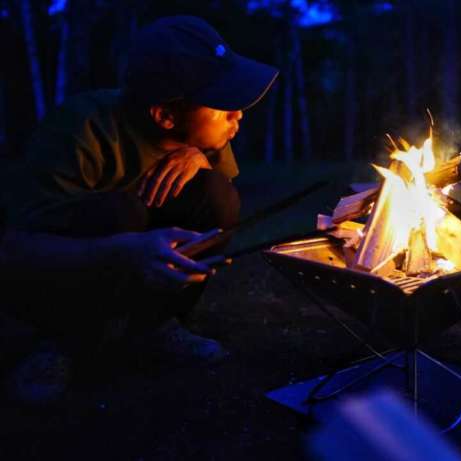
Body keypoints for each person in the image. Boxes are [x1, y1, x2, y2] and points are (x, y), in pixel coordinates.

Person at [0, 15, 278, 403]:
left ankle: (155, 325)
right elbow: (16, 251)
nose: (238, 114)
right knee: (119, 213)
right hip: (61, 269)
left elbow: (220, 191)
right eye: (221, 104)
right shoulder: (79, 132)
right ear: (165, 115)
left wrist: (200, 155)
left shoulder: (204, 135)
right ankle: (60, 340)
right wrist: (125, 248)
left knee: (218, 195)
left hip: (134, 250)